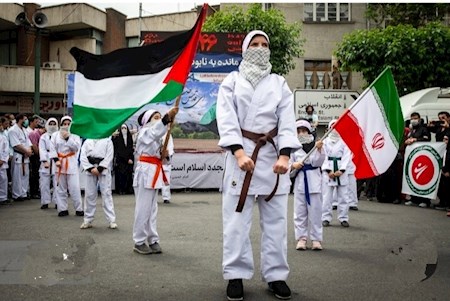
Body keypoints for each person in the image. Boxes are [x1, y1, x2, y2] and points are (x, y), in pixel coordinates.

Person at [216, 30, 301, 301]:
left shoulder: (279, 83)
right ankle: (235, 275)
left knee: (276, 222)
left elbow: (287, 120)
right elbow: (226, 117)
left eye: (265, 44)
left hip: (272, 157)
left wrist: (285, 156)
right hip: (241, 156)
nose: (260, 48)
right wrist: (239, 153)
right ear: (244, 48)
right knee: (236, 221)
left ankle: (276, 276)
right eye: (254, 44)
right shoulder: (232, 81)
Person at [132, 107, 178, 255]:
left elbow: (164, 161)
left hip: (155, 172)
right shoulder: (144, 133)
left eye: (159, 117)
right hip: (145, 172)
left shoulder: (159, 138)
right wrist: (166, 119)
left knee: (152, 209)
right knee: (143, 208)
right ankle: (139, 241)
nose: (158, 120)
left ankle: (152, 239)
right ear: (147, 121)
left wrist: (164, 155)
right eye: (155, 117)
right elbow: (154, 132)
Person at [290, 120, 325, 251]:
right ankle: (301, 238)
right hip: (300, 182)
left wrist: (320, 149)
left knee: (315, 212)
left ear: (309, 131)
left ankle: (316, 239)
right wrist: (293, 166)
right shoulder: (293, 147)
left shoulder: (316, 145)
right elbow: (288, 165)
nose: (301, 133)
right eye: (298, 131)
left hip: (314, 182)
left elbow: (318, 162)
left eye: (304, 130)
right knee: (299, 213)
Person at [80, 137, 117, 229]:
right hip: (90, 168)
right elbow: (83, 156)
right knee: (89, 194)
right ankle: (87, 219)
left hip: (103, 169)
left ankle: (111, 220)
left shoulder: (107, 140)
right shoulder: (87, 141)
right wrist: (90, 168)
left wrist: (100, 168)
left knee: (106, 194)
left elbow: (109, 156)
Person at [51, 116, 84, 217]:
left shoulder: (75, 135)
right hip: (59, 163)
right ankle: (62, 209)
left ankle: (79, 208)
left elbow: (76, 147)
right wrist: (56, 160)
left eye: (68, 124)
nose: (66, 126)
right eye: (64, 124)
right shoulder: (55, 135)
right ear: (61, 124)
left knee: (74, 187)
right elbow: (52, 148)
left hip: (71, 163)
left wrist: (68, 138)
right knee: (60, 188)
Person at [321, 119, 351, 228]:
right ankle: (325, 217)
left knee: (343, 196)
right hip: (328, 170)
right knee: (327, 197)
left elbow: (347, 156)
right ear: (329, 129)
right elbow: (322, 156)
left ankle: (343, 218)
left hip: (341, 171)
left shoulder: (345, 141)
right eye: (333, 127)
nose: (335, 130)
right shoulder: (324, 141)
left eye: (337, 128)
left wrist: (341, 170)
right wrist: (328, 170)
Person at [404, 112, 431, 208]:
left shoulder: (423, 129)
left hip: (422, 156)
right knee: (412, 177)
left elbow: (427, 140)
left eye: (415, 118)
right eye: (412, 118)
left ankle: (424, 200)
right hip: (412, 157)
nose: (413, 120)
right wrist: (407, 141)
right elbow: (408, 139)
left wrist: (416, 140)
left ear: (419, 119)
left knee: (422, 177)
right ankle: (414, 198)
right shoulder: (412, 130)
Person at [8, 114, 32, 202]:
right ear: (20, 120)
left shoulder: (24, 130)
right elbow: (16, 144)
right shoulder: (12, 130)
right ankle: (17, 195)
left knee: (25, 175)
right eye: (25, 119)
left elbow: (28, 142)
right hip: (18, 155)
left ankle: (24, 193)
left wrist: (29, 150)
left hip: (25, 156)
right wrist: (26, 151)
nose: (26, 121)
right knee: (17, 175)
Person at [39, 118, 59, 209]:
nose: (52, 126)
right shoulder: (43, 136)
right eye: (50, 124)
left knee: (57, 183)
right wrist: (44, 161)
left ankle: (57, 201)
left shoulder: (59, 136)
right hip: (46, 158)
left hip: (56, 159)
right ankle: (45, 201)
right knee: (44, 182)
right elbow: (41, 149)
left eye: (54, 124)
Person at [112, 124, 134, 195]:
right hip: (120, 160)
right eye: (122, 128)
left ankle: (129, 189)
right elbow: (118, 150)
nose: (124, 130)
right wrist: (126, 159)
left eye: (125, 128)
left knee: (129, 175)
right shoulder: (117, 138)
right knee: (120, 176)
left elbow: (130, 149)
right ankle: (121, 190)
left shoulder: (129, 137)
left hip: (129, 160)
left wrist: (130, 158)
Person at [29, 121, 45, 199]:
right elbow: (34, 146)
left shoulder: (41, 134)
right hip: (35, 156)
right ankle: (34, 192)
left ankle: (37, 190)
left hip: (40, 155)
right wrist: (40, 155)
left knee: (38, 175)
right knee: (34, 174)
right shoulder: (34, 133)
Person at [161, 133, 174, 204]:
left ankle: (166, 197)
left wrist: (167, 155)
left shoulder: (168, 134)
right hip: (155, 160)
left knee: (166, 180)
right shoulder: (154, 132)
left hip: (165, 161)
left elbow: (170, 147)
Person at [0, 118, 9, 205]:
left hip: (1, 162)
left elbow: (5, 150)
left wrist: (2, 159)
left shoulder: (3, 137)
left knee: (3, 179)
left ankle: (3, 198)